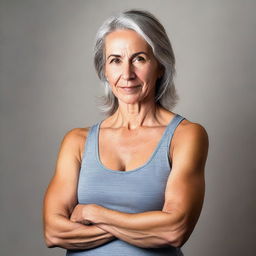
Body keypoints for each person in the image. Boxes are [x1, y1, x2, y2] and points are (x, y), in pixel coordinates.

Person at [43, 9, 209, 256]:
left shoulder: (186, 136)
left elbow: (174, 230)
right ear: (105, 71)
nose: (127, 74)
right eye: (115, 60)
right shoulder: (76, 142)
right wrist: (144, 228)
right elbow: (54, 232)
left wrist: (93, 213)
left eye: (139, 58)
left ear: (160, 66)